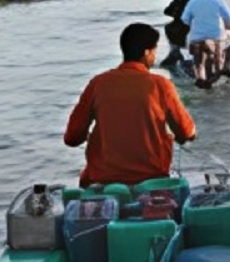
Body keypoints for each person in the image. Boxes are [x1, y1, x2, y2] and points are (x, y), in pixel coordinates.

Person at [64, 23, 196, 186]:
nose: (154, 57)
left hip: (102, 181)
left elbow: (72, 138)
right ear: (146, 52)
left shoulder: (98, 84)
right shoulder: (161, 85)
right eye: (154, 51)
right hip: (153, 179)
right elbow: (187, 132)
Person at [181, 0, 230, 89]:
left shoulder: (193, 1)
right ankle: (225, 68)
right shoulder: (218, 1)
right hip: (216, 38)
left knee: (198, 63)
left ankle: (200, 78)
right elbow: (229, 18)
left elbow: (185, 19)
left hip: (196, 38)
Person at [162, 0, 198, 68]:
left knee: (171, 29)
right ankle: (176, 53)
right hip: (190, 20)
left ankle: (176, 53)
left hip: (184, 19)